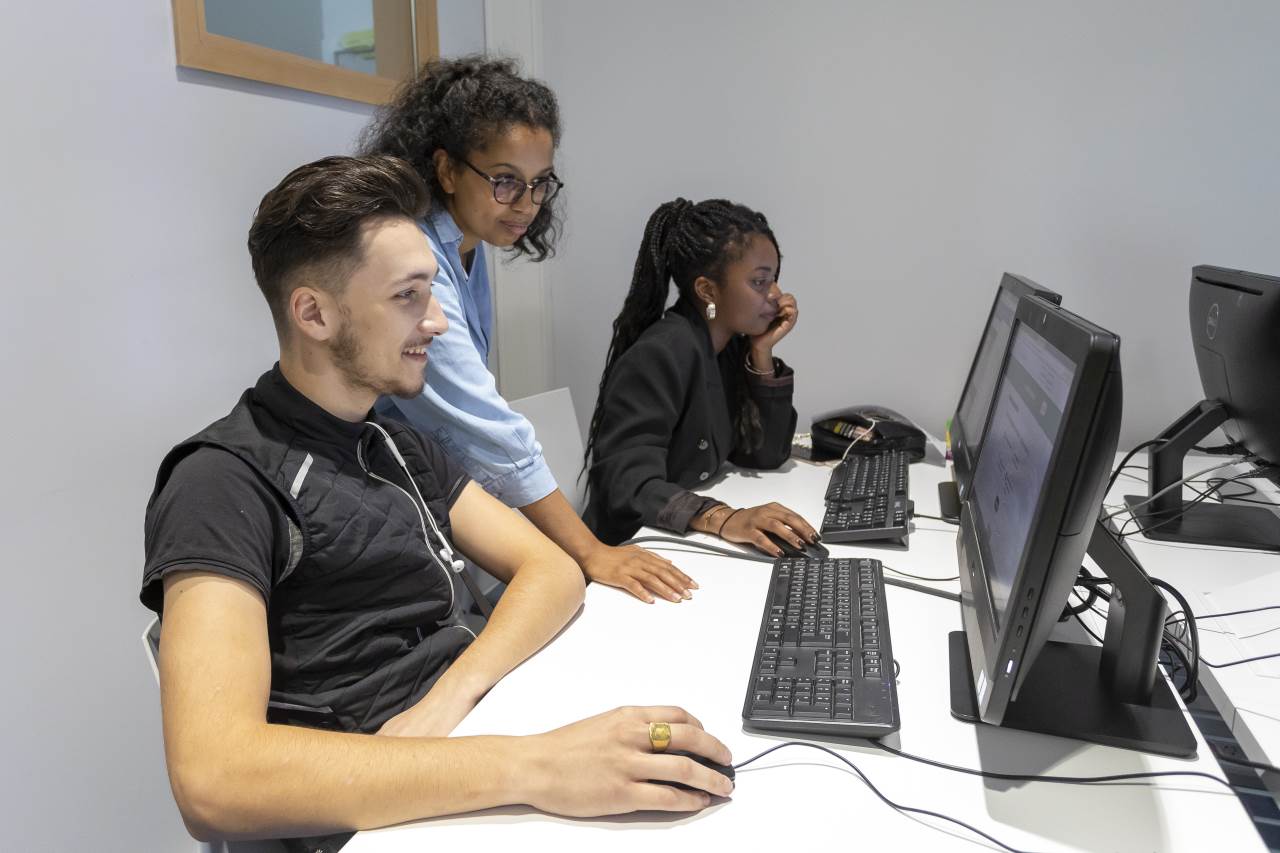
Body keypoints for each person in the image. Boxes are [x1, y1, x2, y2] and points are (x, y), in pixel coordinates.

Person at [140, 156, 732, 849]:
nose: (440, 322)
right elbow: (216, 780)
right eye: (409, 295)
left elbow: (553, 570)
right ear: (314, 312)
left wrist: (453, 692)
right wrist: (533, 764)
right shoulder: (221, 482)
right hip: (376, 818)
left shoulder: (395, 442)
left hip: (469, 740)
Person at [360, 55, 695, 605]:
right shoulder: (418, 256)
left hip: (431, 487)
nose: (528, 205)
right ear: (446, 170)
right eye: (505, 182)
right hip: (391, 504)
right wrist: (590, 552)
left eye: (540, 184)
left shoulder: (465, 248)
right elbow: (487, 426)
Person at [582, 198, 819, 555]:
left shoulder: (725, 348)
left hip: (676, 541)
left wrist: (762, 353)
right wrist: (722, 519)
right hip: (628, 550)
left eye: (775, 280)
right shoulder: (661, 353)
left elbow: (765, 454)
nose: (777, 296)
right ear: (707, 290)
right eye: (759, 282)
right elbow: (627, 482)